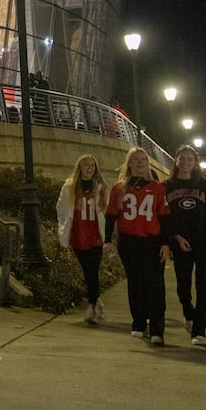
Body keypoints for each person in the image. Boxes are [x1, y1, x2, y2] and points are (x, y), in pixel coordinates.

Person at [105, 147, 171, 346]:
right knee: (135, 283)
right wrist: (108, 240)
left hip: (151, 241)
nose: (141, 163)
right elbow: (111, 215)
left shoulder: (157, 187)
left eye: (144, 159)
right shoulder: (119, 188)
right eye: (136, 159)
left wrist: (166, 243)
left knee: (155, 284)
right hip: (129, 241)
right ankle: (139, 322)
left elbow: (165, 217)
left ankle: (157, 328)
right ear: (129, 163)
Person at [164, 144, 206, 346]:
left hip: (203, 242)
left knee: (202, 286)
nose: (186, 163)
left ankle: (199, 330)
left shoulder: (204, 186)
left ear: (195, 162)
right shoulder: (168, 186)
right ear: (176, 160)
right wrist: (174, 237)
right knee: (183, 287)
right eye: (183, 159)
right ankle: (188, 312)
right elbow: (163, 217)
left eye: (190, 159)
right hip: (180, 243)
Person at [57, 153, 109, 326]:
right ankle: (97, 300)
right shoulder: (69, 187)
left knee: (92, 270)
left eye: (92, 166)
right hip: (78, 236)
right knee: (87, 272)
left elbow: (106, 211)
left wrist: (108, 236)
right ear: (80, 168)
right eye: (86, 165)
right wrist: (63, 230)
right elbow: (61, 210)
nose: (89, 168)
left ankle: (91, 307)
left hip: (95, 236)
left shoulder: (100, 187)